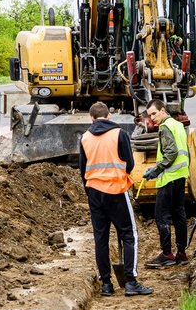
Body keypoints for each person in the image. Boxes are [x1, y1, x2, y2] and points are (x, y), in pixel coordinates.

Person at [79, 102, 153, 297]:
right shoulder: (119, 134)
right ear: (109, 116)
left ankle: (106, 284)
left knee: (100, 239)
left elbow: (82, 170)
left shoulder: (85, 138)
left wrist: (91, 191)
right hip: (116, 190)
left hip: (94, 193)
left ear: (91, 118)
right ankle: (131, 281)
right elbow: (129, 164)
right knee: (129, 234)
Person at [142, 99, 190, 268]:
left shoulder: (165, 127)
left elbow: (171, 153)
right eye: (149, 116)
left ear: (163, 110)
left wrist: (155, 171)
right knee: (179, 214)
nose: (152, 118)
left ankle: (167, 254)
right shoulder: (178, 125)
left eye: (154, 113)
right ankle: (182, 253)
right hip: (180, 175)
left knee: (162, 215)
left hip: (168, 178)